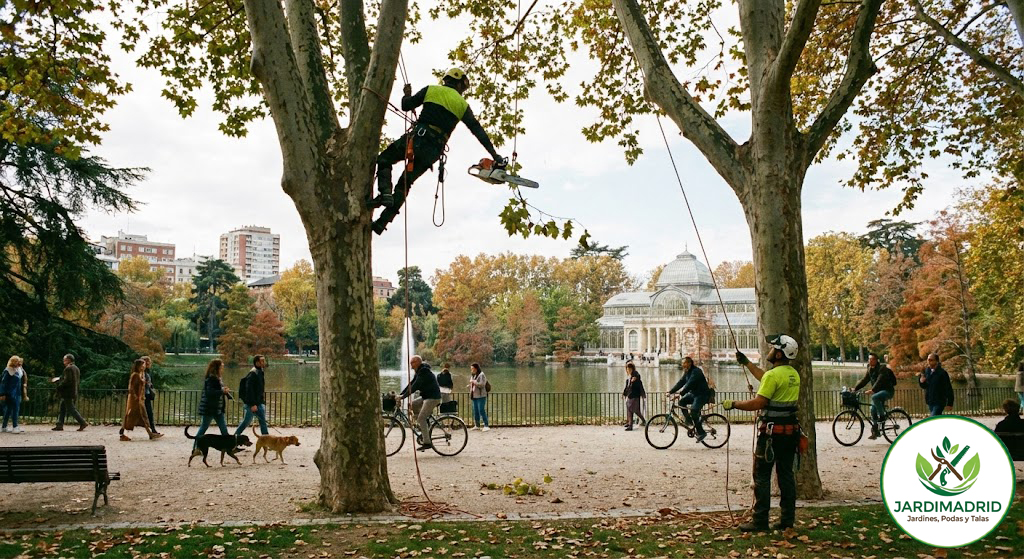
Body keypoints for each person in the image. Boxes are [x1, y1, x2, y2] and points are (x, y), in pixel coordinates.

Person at [370, 67, 505, 235]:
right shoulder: (462, 105)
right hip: (432, 152)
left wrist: (406, 94)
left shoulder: (431, 90)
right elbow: (478, 132)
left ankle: (385, 192)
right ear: (460, 84)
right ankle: (382, 222)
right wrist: (495, 155)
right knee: (405, 183)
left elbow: (406, 105)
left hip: (417, 139)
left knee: (384, 159)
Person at [722, 334, 802, 532]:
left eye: (773, 348)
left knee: (761, 477)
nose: (770, 350)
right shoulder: (792, 373)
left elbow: (759, 403)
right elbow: (764, 377)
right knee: (785, 476)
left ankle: (759, 521)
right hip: (790, 433)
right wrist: (748, 363)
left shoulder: (774, 376)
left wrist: (733, 404)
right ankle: (786, 520)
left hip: (771, 434)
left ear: (779, 353)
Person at [398, 355, 442, 449]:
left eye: (412, 362)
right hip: (426, 397)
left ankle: (427, 443)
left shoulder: (424, 372)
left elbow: (415, 386)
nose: (411, 364)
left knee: (421, 418)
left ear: (418, 362)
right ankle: (424, 426)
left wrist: (403, 397)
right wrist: (401, 394)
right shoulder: (419, 372)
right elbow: (411, 384)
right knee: (413, 404)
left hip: (433, 398)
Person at [668, 356, 712, 443]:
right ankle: (689, 421)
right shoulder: (687, 372)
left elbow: (689, 384)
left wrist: (680, 393)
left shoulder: (696, 372)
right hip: (694, 394)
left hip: (702, 395)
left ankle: (702, 433)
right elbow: (681, 382)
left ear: (689, 363)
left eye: (684, 363)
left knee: (693, 412)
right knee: (681, 402)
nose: (682, 364)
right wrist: (670, 391)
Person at [853, 352, 897, 439]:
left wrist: (873, 390)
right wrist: (855, 389)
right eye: (869, 359)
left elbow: (879, 380)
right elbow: (865, 380)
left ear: (876, 360)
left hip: (887, 391)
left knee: (874, 397)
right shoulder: (870, 369)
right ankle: (876, 431)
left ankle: (883, 416)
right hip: (877, 392)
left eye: (872, 359)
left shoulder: (882, 368)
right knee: (872, 409)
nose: (870, 361)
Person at [119, 359, 163, 441]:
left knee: (143, 417)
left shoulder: (140, 374)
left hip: (140, 399)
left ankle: (150, 433)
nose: (143, 367)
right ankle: (123, 433)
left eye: (144, 365)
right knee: (132, 417)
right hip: (135, 401)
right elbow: (131, 388)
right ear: (138, 366)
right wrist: (136, 397)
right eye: (142, 365)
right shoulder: (135, 375)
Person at [194, 359, 232, 444]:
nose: (222, 369)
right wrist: (222, 391)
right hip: (210, 408)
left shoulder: (217, 378)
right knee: (203, 428)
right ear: (217, 368)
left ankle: (229, 446)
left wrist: (223, 390)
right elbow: (209, 393)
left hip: (217, 408)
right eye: (221, 367)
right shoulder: (211, 378)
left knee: (224, 429)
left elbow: (216, 390)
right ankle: (196, 447)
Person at [235, 355, 269, 436]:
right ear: (257, 362)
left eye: (264, 361)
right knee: (246, 422)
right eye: (262, 361)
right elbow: (249, 391)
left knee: (262, 422)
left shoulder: (260, 372)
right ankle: (235, 438)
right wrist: (253, 404)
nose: (264, 362)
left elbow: (259, 390)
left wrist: (261, 401)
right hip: (253, 404)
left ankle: (267, 441)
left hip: (258, 403)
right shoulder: (253, 374)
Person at [53, 353, 87, 431]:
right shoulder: (76, 368)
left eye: (64, 360)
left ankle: (82, 422)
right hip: (73, 391)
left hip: (67, 392)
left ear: (68, 360)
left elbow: (68, 380)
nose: (63, 361)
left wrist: (59, 386)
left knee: (71, 409)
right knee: (62, 408)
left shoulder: (68, 368)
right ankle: (59, 424)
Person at [1, 356, 25, 433]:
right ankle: (15, 426)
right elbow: (3, 383)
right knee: (15, 409)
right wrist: (2, 393)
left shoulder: (18, 370)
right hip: (10, 392)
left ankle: (4, 426)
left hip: (17, 392)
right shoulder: (8, 371)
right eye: (17, 361)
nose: (18, 363)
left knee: (8, 410)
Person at [623, 363, 646, 431]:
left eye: (629, 369)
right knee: (635, 410)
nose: (628, 370)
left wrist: (634, 379)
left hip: (635, 395)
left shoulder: (635, 374)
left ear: (632, 369)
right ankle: (640, 421)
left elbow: (638, 377)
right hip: (631, 395)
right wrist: (624, 394)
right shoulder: (629, 377)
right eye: (627, 369)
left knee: (631, 409)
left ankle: (630, 425)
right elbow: (627, 386)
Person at [141, 355, 159, 435]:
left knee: (149, 413)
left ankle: (153, 429)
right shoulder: (142, 373)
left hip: (147, 394)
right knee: (147, 413)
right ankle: (153, 429)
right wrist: (148, 384)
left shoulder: (147, 372)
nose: (150, 364)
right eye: (149, 362)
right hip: (143, 395)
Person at [469, 363, 490, 431]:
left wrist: (474, 382)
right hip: (475, 396)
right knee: (475, 411)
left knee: (481, 410)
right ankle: (477, 425)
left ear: (476, 368)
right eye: (471, 368)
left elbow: (482, 384)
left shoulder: (482, 375)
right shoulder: (474, 375)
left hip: (481, 396)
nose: (471, 370)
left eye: (473, 368)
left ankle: (486, 425)